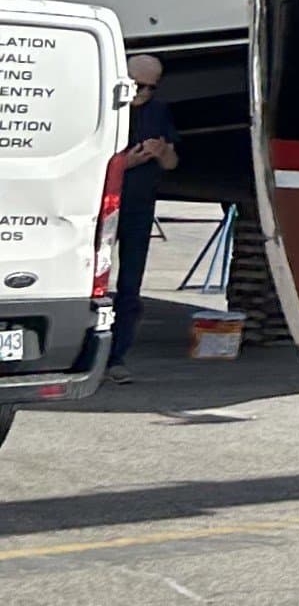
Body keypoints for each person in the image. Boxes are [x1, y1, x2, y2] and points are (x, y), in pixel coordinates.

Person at [105, 54, 177, 384]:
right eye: (138, 86)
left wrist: (162, 153)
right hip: (104, 206)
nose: (143, 93)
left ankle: (117, 356)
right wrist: (127, 163)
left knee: (130, 285)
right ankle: (88, 352)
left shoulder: (158, 112)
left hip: (140, 207)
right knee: (94, 282)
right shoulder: (107, 108)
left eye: (150, 88)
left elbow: (173, 163)